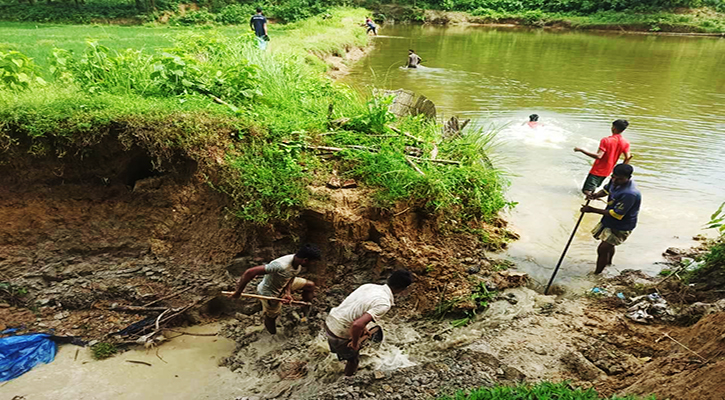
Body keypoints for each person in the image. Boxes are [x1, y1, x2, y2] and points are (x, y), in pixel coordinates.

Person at [324, 270, 414, 376]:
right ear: (402, 289)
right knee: (354, 360)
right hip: (339, 332)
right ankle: (347, 381)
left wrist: (363, 328)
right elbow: (357, 324)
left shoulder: (369, 286)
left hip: (330, 321)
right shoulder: (384, 303)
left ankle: (343, 353)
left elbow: (354, 309)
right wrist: (354, 343)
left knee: (375, 330)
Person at [228, 244, 321, 334]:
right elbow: (249, 272)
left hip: (282, 284)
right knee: (272, 315)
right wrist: (238, 292)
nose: (313, 264)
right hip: (269, 292)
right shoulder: (280, 266)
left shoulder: (297, 262)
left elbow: (290, 277)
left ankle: (306, 309)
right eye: (313, 262)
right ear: (305, 260)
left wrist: (287, 293)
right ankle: (272, 333)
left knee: (310, 285)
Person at [580, 164, 641, 275]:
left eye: (619, 179)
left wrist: (591, 209)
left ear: (628, 178)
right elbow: (606, 190)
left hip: (622, 224)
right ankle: (608, 264)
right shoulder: (615, 181)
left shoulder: (629, 193)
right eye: (613, 177)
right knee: (609, 244)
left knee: (603, 249)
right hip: (609, 219)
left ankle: (596, 274)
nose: (615, 180)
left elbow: (616, 214)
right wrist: (594, 195)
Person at [575, 119, 633, 196]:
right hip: (609, 171)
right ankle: (593, 199)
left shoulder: (606, 140)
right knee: (593, 188)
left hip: (597, 170)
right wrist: (619, 171)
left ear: (613, 128)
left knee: (586, 191)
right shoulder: (625, 142)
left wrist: (581, 150)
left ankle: (588, 204)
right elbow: (628, 158)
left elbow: (599, 156)